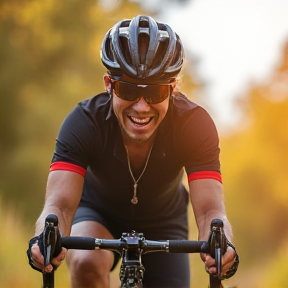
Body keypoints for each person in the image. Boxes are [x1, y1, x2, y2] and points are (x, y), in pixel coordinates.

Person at [27, 15, 239, 288]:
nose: (141, 107)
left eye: (155, 91)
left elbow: (211, 212)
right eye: (128, 89)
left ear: (172, 89)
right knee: (84, 262)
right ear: (109, 84)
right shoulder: (83, 122)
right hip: (96, 213)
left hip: (163, 220)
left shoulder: (195, 125)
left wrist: (223, 245)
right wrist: (43, 238)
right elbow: (58, 208)